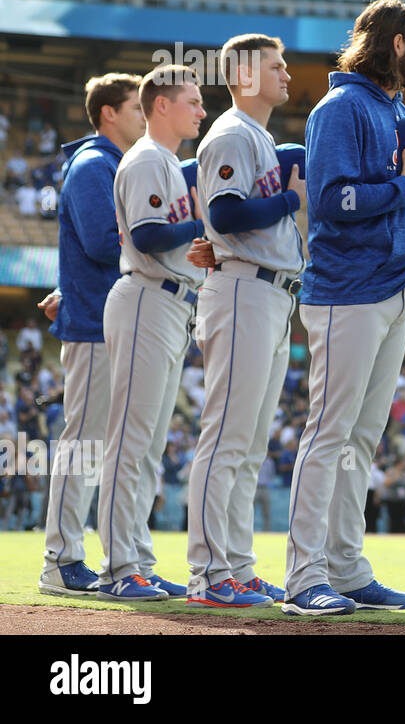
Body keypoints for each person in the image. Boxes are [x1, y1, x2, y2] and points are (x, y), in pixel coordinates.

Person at [281, 0, 405, 616]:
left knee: (361, 440)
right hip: (345, 290)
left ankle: (345, 567)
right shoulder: (341, 106)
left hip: (391, 288)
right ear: (396, 43)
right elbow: (334, 199)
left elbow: (403, 207)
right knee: (329, 433)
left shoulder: (392, 108)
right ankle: (303, 576)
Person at [182, 35, 305, 608]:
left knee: (250, 444)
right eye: (276, 67)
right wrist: (289, 199)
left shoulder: (256, 136)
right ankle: (209, 574)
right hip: (242, 290)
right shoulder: (232, 131)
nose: (286, 75)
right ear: (246, 75)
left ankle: (237, 567)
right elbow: (226, 213)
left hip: (270, 293)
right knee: (228, 436)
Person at [97, 64, 206, 602]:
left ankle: (135, 558)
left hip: (170, 303)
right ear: (161, 104)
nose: (202, 110)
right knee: (131, 443)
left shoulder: (165, 162)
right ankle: (119, 567)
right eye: (192, 100)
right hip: (146, 297)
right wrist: (204, 222)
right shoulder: (145, 159)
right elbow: (147, 236)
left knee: (148, 445)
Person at [37, 74, 146, 597]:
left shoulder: (112, 163)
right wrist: (157, 235)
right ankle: (60, 560)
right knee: (82, 444)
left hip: (108, 318)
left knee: (103, 446)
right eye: (134, 107)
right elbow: (106, 243)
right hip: (93, 322)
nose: (144, 114)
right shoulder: (92, 164)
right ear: (108, 113)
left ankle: (109, 558)